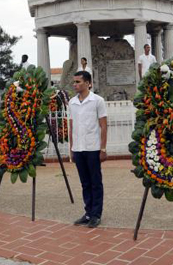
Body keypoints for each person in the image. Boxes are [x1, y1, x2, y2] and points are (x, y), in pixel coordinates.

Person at [69, 71, 108, 228]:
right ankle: (88, 213)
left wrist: (103, 148)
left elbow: (103, 125)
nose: (75, 84)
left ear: (87, 83)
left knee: (95, 182)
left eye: (78, 82)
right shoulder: (72, 102)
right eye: (74, 82)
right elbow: (71, 127)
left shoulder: (97, 101)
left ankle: (96, 215)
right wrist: (71, 148)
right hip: (78, 148)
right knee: (85, 183)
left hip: (92, 147)